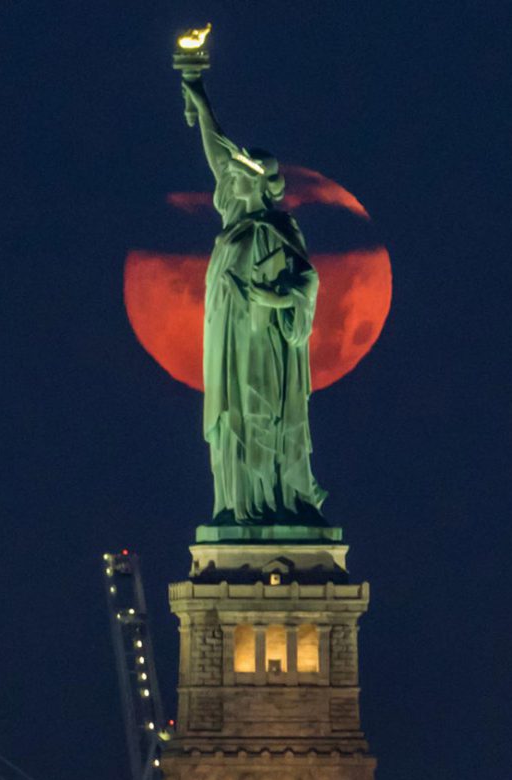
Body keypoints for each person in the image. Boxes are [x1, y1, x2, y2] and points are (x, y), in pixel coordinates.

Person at [182, 79, 327, 526]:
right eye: (234, 172)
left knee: (263, 414)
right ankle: (238, 501)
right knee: (233, 417)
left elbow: (309, 281)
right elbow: (216, 153)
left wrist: (276, 296)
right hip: (229, 337)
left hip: (268, 343)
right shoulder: (233, 226)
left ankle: (278, 499)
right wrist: (199, 97)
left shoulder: (281, 228)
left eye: (242, 173)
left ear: (258, 184)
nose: (232, 176)